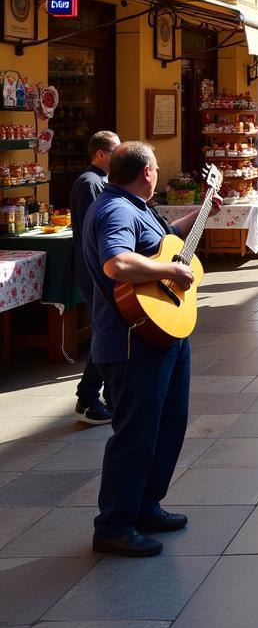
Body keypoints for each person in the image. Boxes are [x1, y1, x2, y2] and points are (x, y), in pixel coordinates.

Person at [81, 141, 211, 557]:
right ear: (148, 172)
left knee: (169, 425)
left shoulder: (138, 206)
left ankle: (146, 505)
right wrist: (172, 270)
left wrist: (205, 208)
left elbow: (165, 242)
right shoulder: (116, 209)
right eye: (155, 167)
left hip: (163, 333)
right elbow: (116, 263)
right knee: (135, 434)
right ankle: (114, 524)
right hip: (133, 339)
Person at [69, 129, 120, 426]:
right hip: (93, 269)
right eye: (115, 151)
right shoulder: (89, 183)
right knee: (106, 332)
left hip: (99, 268)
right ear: (100, 154)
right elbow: (97, 229)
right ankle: (87, 397)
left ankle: (109, 396)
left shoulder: (103, 182)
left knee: (108, 330)